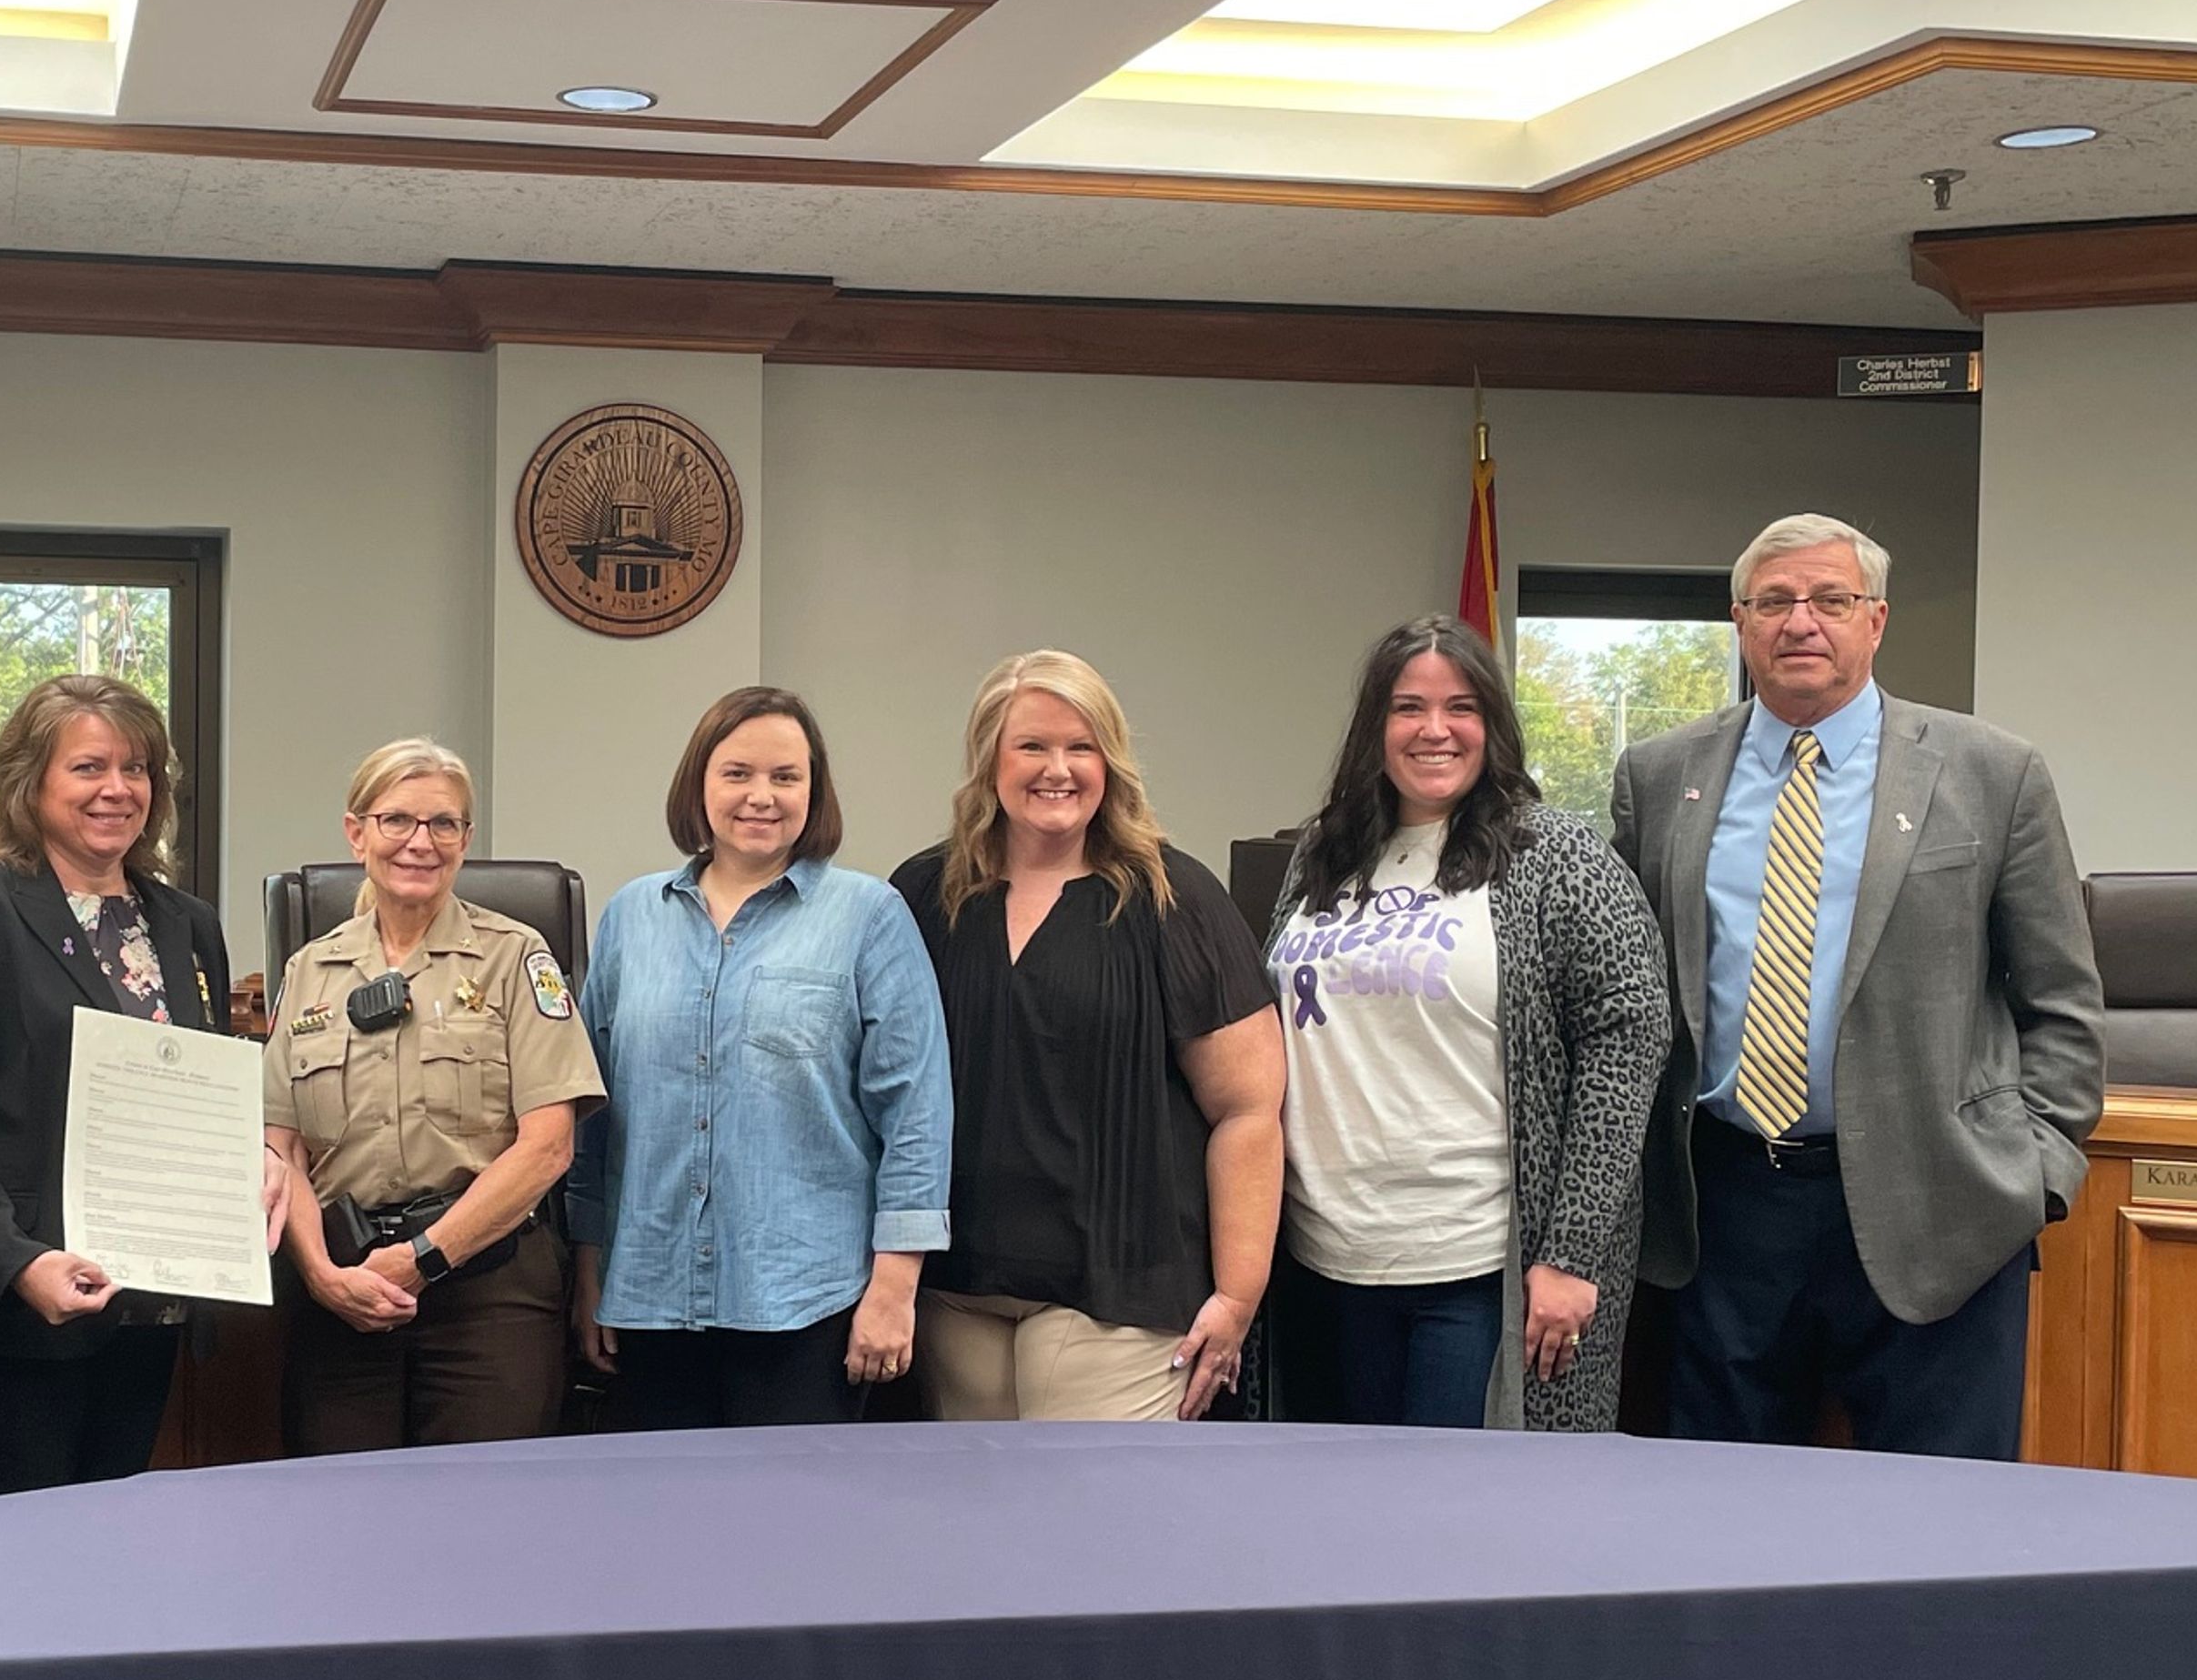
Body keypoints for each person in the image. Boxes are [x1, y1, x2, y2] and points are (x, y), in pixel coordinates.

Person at [1612, 513, 2104, 1457]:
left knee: (1939, 1529)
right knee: (1720, 1520)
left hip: (1941, 1206)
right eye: (1775, 602)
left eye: (1831, 599)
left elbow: (2063, 1000)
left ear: (1874, 620)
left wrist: (2036, 1178)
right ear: (1740, 622)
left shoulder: (1992, 773)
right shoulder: (1658, 774)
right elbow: (1631, 994)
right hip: (1725, 1210)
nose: (1803, 621)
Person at [1266, 617, 1671, 1430]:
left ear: (1493, 723)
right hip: (1325, 1258)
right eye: (1408, 707)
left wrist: (1569, 1254)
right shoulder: (1325, 851)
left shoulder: (1554, 854)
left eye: (1461, 707)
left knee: (1462, 1527)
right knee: (1340, 1518)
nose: (1434, 729)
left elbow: (1627, 1044)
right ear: (1374, 727)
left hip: (1476, 1265)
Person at [0, 674, 278, 1494]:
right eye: (89, 768)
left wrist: (250, 1159)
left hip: (148, 1304)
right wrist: (19, 1262)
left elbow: (197, 1092)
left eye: (137, 769)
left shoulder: (185, 922)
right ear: (31, 784)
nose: (117, 790)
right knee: (13, 1579)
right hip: (9, 1316)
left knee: (109, 1559)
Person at [892, 651, 1284, 1424]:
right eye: (1031, 746)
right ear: (988, 760)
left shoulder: (1173, 898)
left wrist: (1238, 1296)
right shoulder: (922, 896)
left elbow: (1249, 1110)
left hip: (1123, 1295)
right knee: (972, 1533)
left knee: (1097, 1535)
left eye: (1082, 746)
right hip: (956, 1288)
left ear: (1111, 761)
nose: (1058, 769)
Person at [569, 687, 951, 1426]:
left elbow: (917, 1112)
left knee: (797, 1532)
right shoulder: (631, 919)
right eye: (737, 773)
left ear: (815, 790)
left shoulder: (868, 917)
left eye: (786, 776)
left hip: (810, 1302)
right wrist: (590, 1272)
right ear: (699, 785)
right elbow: (593, 1114)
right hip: (650, 1295)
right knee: (662, 1526)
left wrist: (895, 1287)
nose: (761, 797)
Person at [264, 740, 604, 1452]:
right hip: (344, 1289)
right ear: (357, 833)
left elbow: (547, 1147)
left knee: (484, 1521)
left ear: (466, 840)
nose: (420, 842)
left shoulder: (516, 956)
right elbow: (279, 1148)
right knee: (339, 1518)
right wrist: (323, 1276)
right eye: (397, 821)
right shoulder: (310, 969)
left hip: (488, 1291)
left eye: (442, 824)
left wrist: (421, 1258)